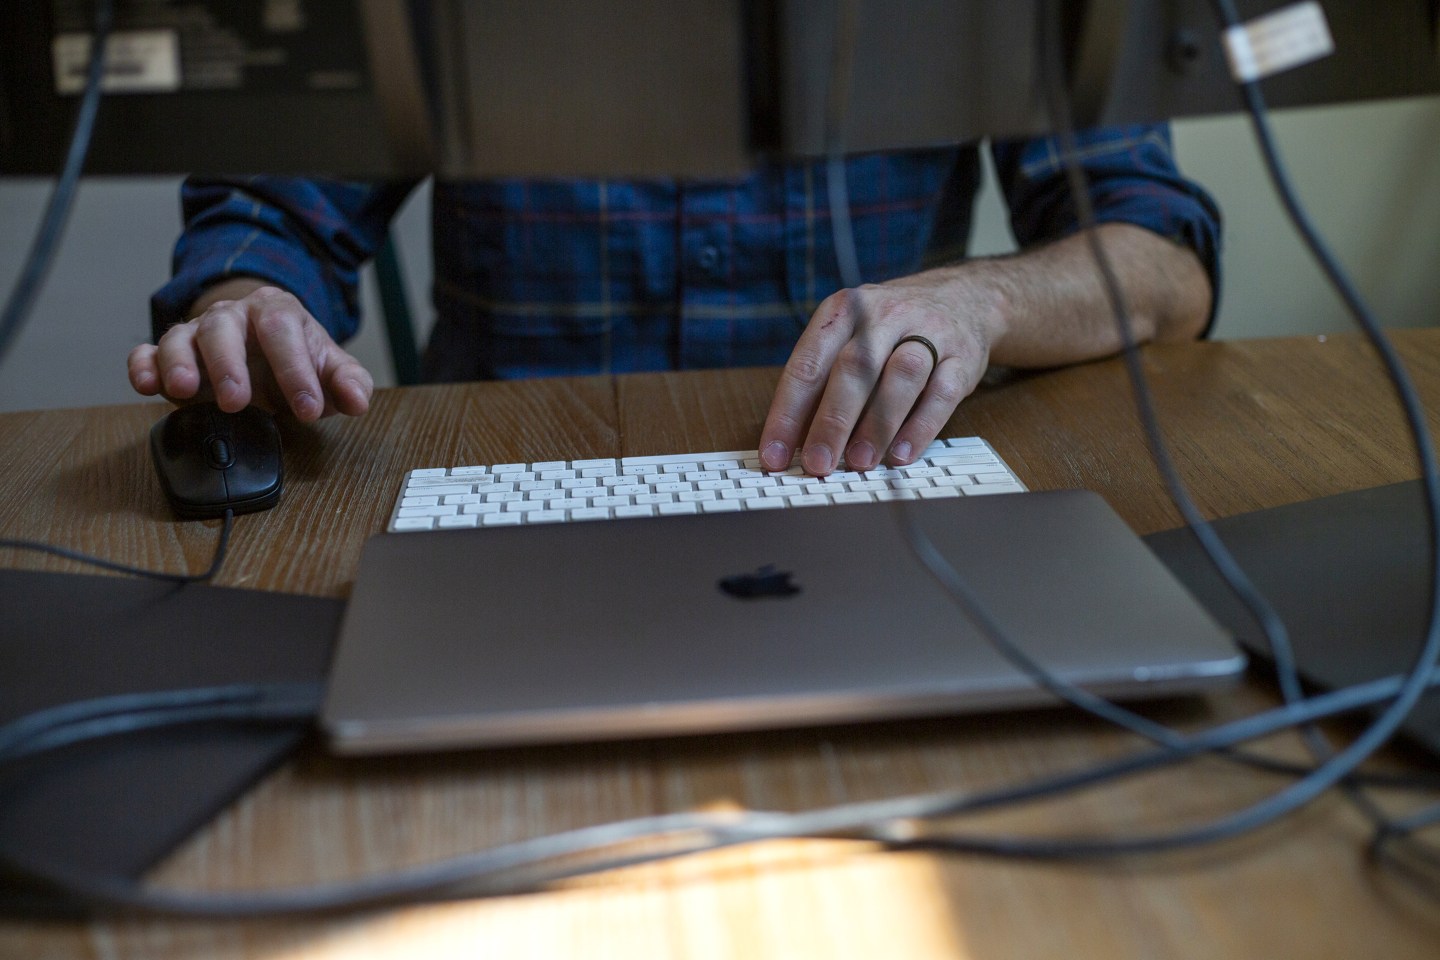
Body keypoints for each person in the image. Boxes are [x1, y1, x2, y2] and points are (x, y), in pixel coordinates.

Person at [130, 125, 1219, 476]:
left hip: (862, 490)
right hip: (511, 499)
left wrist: (984, 300)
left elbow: (1167, 266)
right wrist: (250, 300)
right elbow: (270, 217)